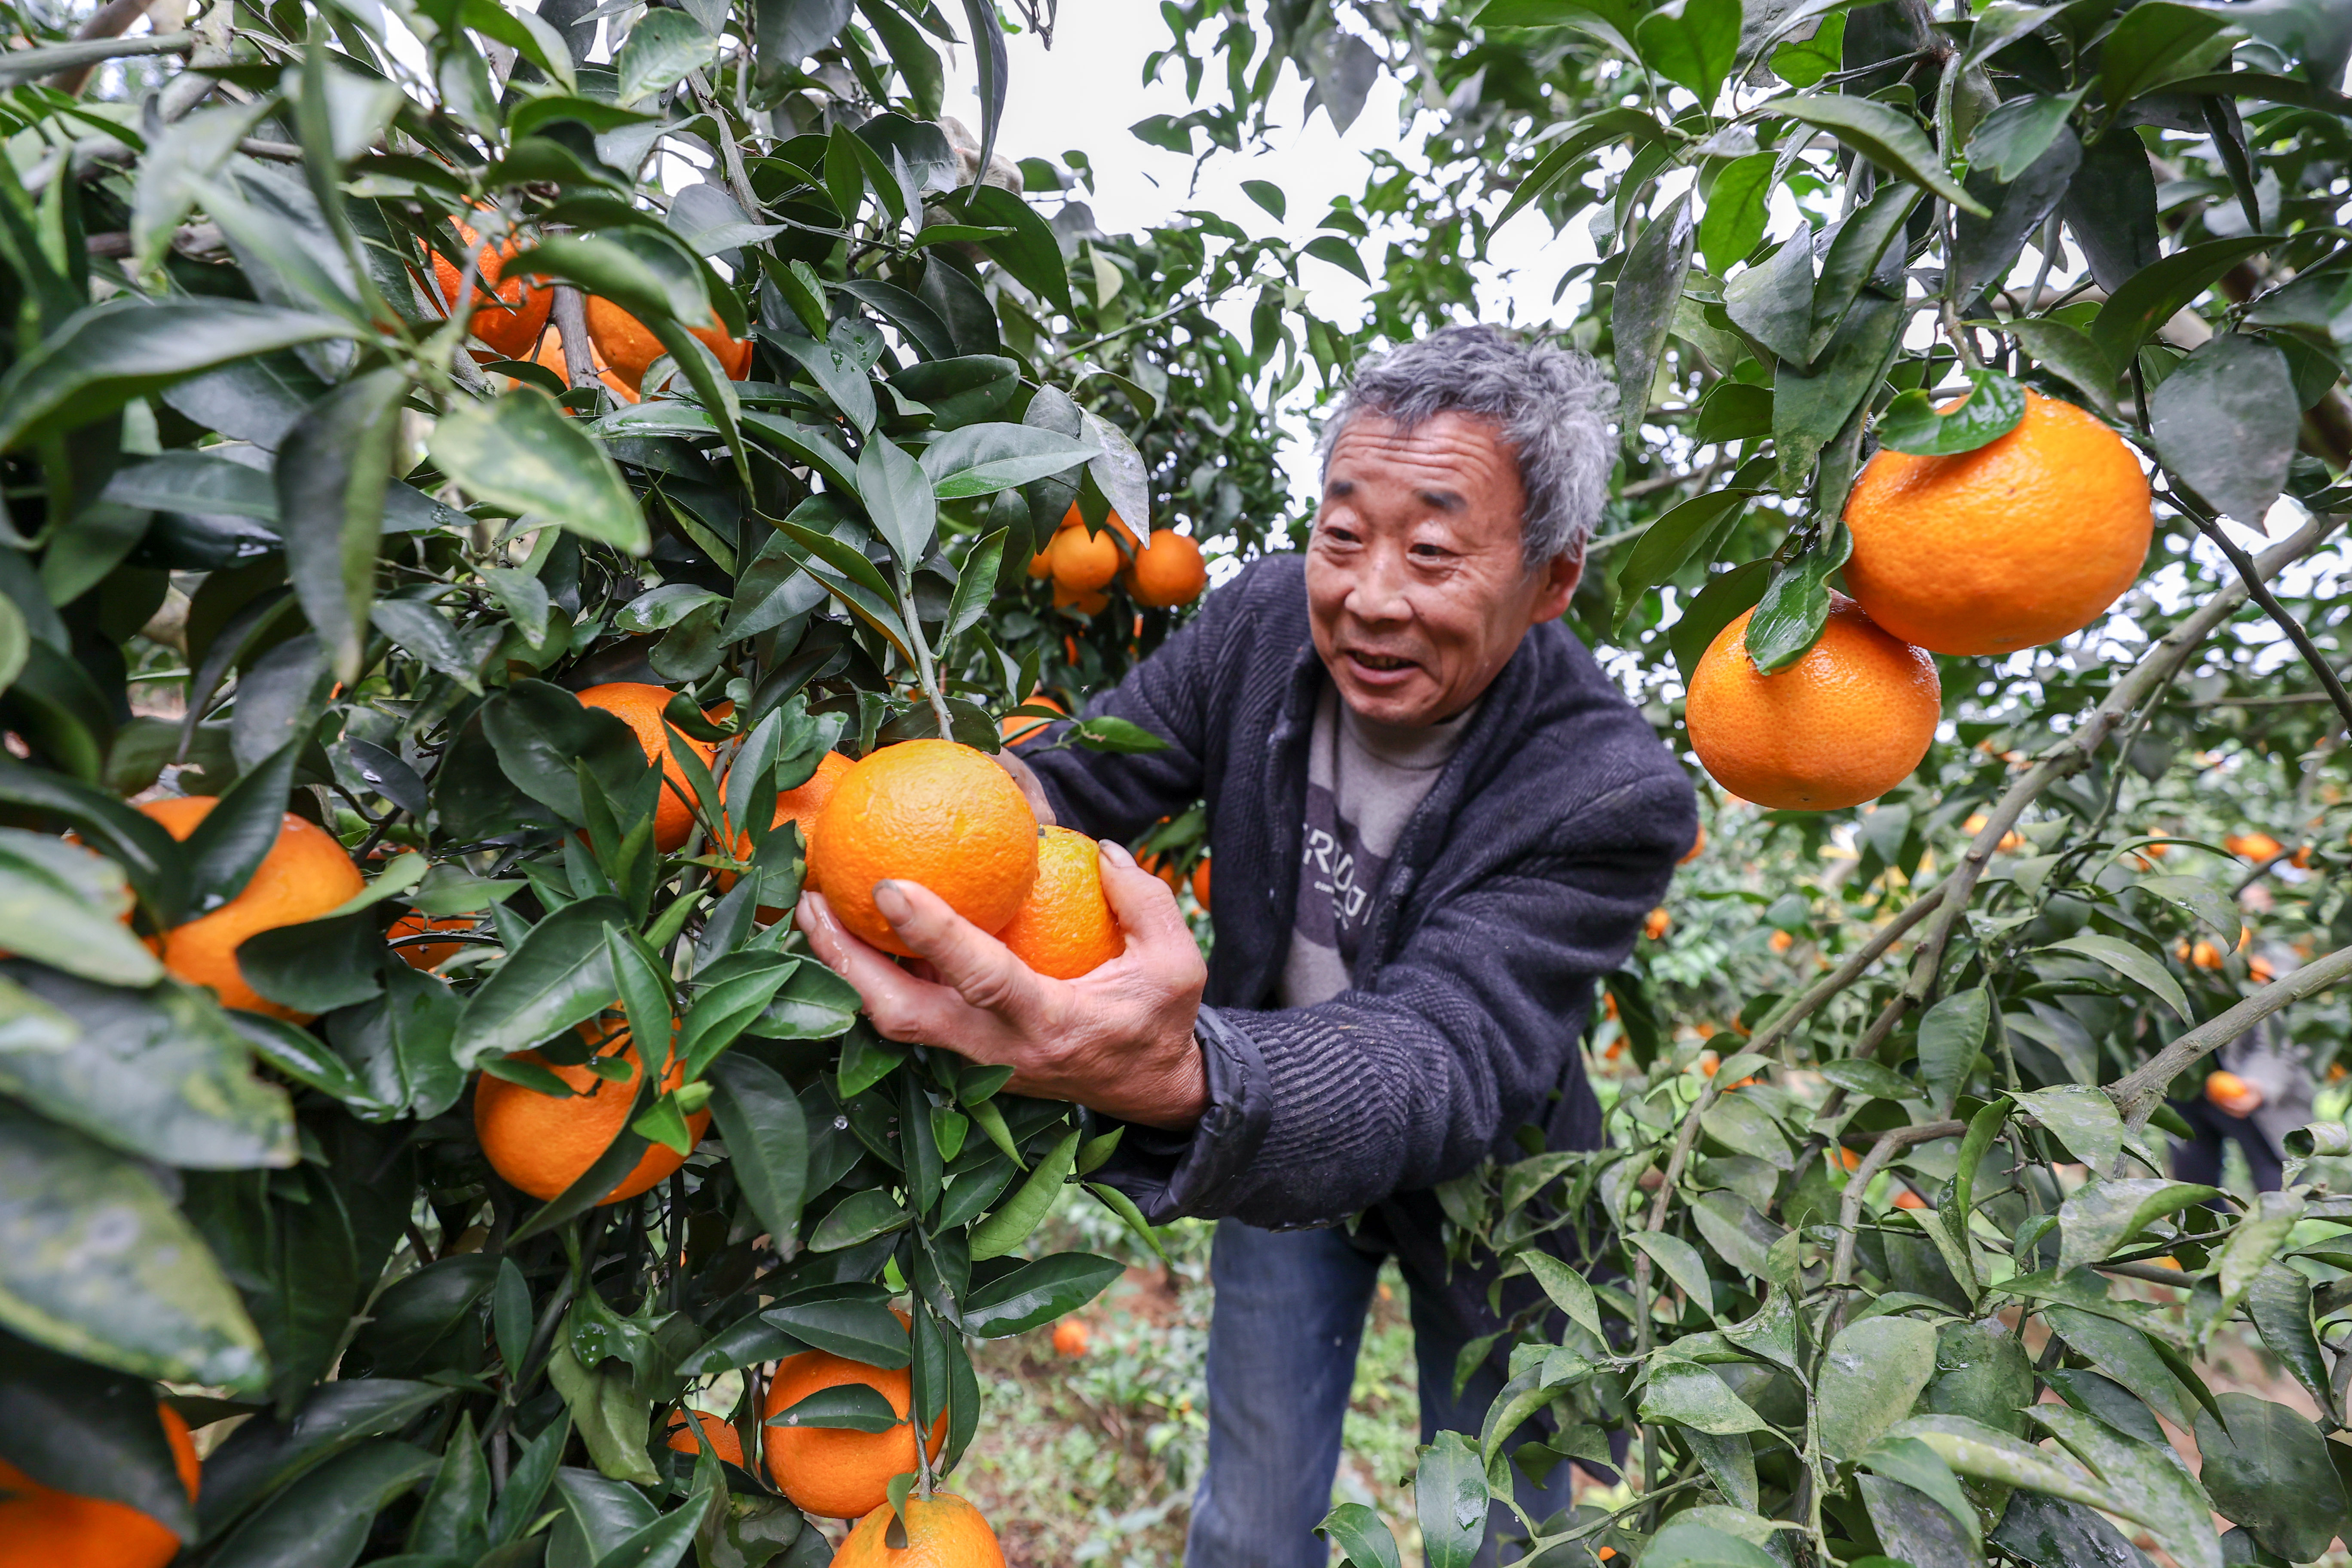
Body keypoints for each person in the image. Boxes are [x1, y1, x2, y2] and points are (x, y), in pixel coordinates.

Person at [795, 325, 1696, 1565]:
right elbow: (1090, 769)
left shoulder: (1604, 789)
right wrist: (912, 813)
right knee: (1254, 1521)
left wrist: (1187, 1076)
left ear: (1549, 581)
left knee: (1509, 1537)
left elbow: (1441, 1053)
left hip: (1512, 1196)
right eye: (1343, 537)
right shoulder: (1268, 622)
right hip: (1280, 1149)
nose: (1368, 597)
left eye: (1433, 552)